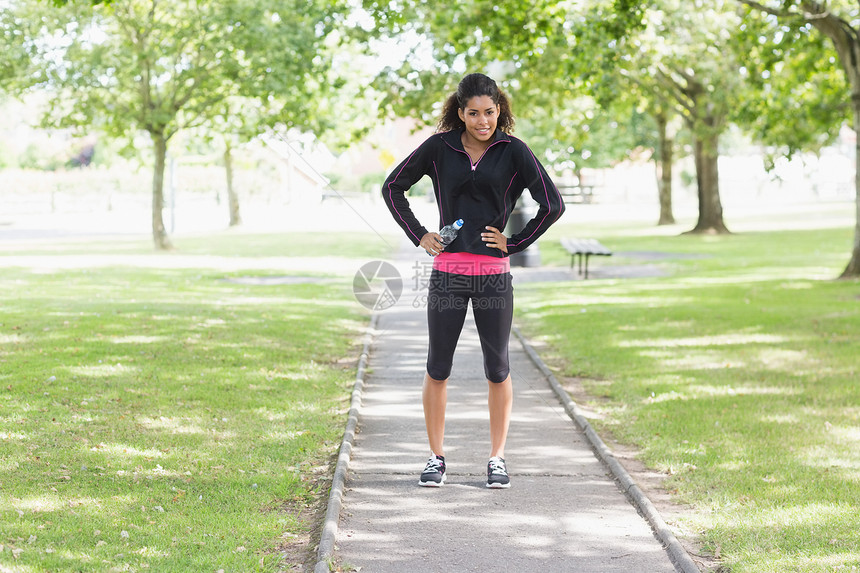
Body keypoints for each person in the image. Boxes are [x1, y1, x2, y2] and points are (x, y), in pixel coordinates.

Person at [381, 72, 565, 489]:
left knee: (498, 368)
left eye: (490, 111)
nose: (484, 121)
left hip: (493, 279)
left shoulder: (513, 151)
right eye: (474, 113)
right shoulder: (439, 147)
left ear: (500, 108)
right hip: (447, 276)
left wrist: (514, 242)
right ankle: (435, 457)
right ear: (460, 112)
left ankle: (497, 458)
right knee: (438, 367)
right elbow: (393, 186)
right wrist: (421, 235)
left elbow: (552, 205)